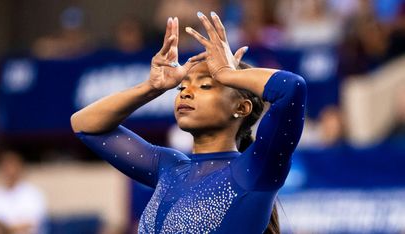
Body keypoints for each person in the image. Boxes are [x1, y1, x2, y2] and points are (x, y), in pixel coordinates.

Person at [71, 12, 306, 233]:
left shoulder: (253, 170)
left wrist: (227, 73)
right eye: (182, 86)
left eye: (205, 85)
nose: (185, 92)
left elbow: (291, 89)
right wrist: (150, 88)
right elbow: (85, 125)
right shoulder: (169, 167)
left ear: (242, 108)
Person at [0, 150, 47, 234]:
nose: (9, 171)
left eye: (12, 166)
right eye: (6, 167)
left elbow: (31, 223)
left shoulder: (33, 193)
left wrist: (5, 229)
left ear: (20, 168)